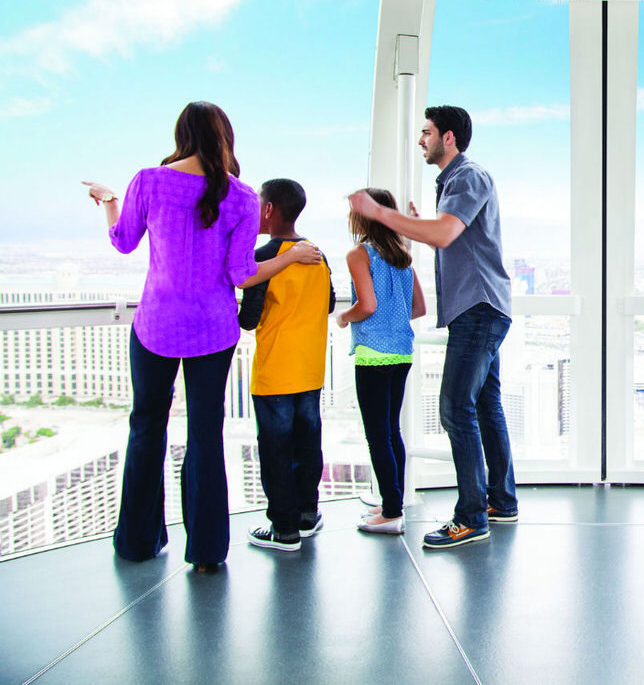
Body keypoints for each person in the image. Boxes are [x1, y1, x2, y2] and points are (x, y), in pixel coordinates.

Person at [83, 101, 322, 573]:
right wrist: (292, 257)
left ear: (181, 134)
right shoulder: (243, 195)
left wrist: (108, 200)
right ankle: (209, 551)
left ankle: (136, 542)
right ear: (225, 138)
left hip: (156, 326)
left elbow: (123, 240)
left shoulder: (149, 180)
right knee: (205, 433)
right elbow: (241, 273)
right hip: (214, 331)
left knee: (147, 427)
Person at [348, 105, 515, 550]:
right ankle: (500, 500)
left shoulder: (467, 177)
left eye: (426, 132)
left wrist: (380, 214)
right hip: (480, 308)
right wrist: (419, 219)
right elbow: (444, 234)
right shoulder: (453, 185)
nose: (420, 139)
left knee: (454, 408)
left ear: (448, 138)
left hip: (478, 308)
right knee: (483, 407)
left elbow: (442, 235)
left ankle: (471, 517)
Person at [238, 178, 335, 552]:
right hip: (310, 369)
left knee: (276, 451)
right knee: (308, 446)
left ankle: (284, 529)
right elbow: (326, 305)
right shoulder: (317, 255)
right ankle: (307, 517)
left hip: (276, 371)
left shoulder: (264, 257)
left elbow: (248, 318)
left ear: (268, 209)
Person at [335, 188, 426, 535]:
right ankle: (393, 502)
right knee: (391, 431)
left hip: (373, 354)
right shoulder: (402, 256)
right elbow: (419, 308)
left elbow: (367, 305)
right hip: (402, 351)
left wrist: (345, 316)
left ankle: (391, 513)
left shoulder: (360, 254)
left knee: (377, 435)